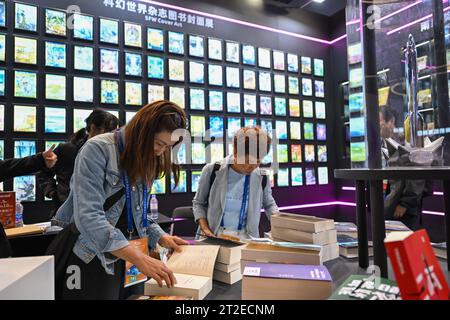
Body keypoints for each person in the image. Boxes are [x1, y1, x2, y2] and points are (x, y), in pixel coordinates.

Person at [52, 101, 189, 299]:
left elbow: (137, 212)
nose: (161, 151)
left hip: (132, 256)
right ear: (142, 131)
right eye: (159, 144)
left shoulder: (147, 157)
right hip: (93, 255)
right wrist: (139, 258)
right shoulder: (98, 149)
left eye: (168, 147)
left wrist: (159, 236)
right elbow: (89, 216)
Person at [193, 127, 279, 240]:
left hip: (247, 241)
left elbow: (269, 204)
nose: (252, 167)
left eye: (258, 161)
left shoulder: (261, 177)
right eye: (248, 161)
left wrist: (279, 225)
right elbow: (198, 203)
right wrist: (205, 230)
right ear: (236, 152)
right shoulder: (212, 170)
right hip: (214, 237)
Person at [38, 110, 119, 218]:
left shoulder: (111, 152)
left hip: (97, 213)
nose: (110, 138)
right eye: (107, 132)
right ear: (93, 128)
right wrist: (53, 193)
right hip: (67, 214)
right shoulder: (67, 149)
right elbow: (43, 172)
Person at [380, 106, 431, 230]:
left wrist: (405, 203)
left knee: (403, 242)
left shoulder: (404, 143)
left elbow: (417, 173)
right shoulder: (380, 143)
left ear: (391, 122)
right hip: (388, 203)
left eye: (379, 120)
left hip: (401, 207)